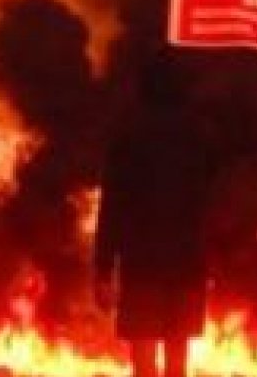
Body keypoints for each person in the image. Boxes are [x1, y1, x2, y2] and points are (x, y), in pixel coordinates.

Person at [93, 58, 214, 377]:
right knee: (178, 356)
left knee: (143, 355)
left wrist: (103, 267)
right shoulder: (198, 136)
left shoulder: (128, 135)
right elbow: (209, 203)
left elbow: (114, 206)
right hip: (187, 263)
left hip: (141, 263)